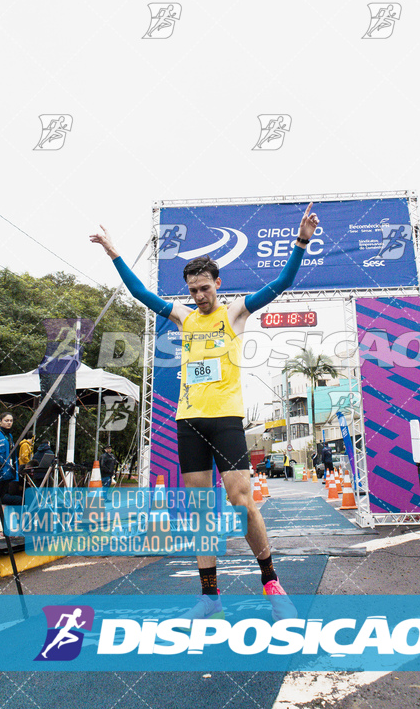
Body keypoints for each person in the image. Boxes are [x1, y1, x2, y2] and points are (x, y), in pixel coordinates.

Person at [91, 201, 320, 622]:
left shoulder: (236, 311)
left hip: (226, 419)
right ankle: (210, 595)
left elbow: (283, 281)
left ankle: (271, 581)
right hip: (189, 421)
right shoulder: (184, 317)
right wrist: (114, 253)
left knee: (240, 499)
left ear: (218, 282)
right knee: (198, 507)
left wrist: (302, 240)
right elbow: (141, 294)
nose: (199, 297)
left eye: (205, 288)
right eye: (193, 291)